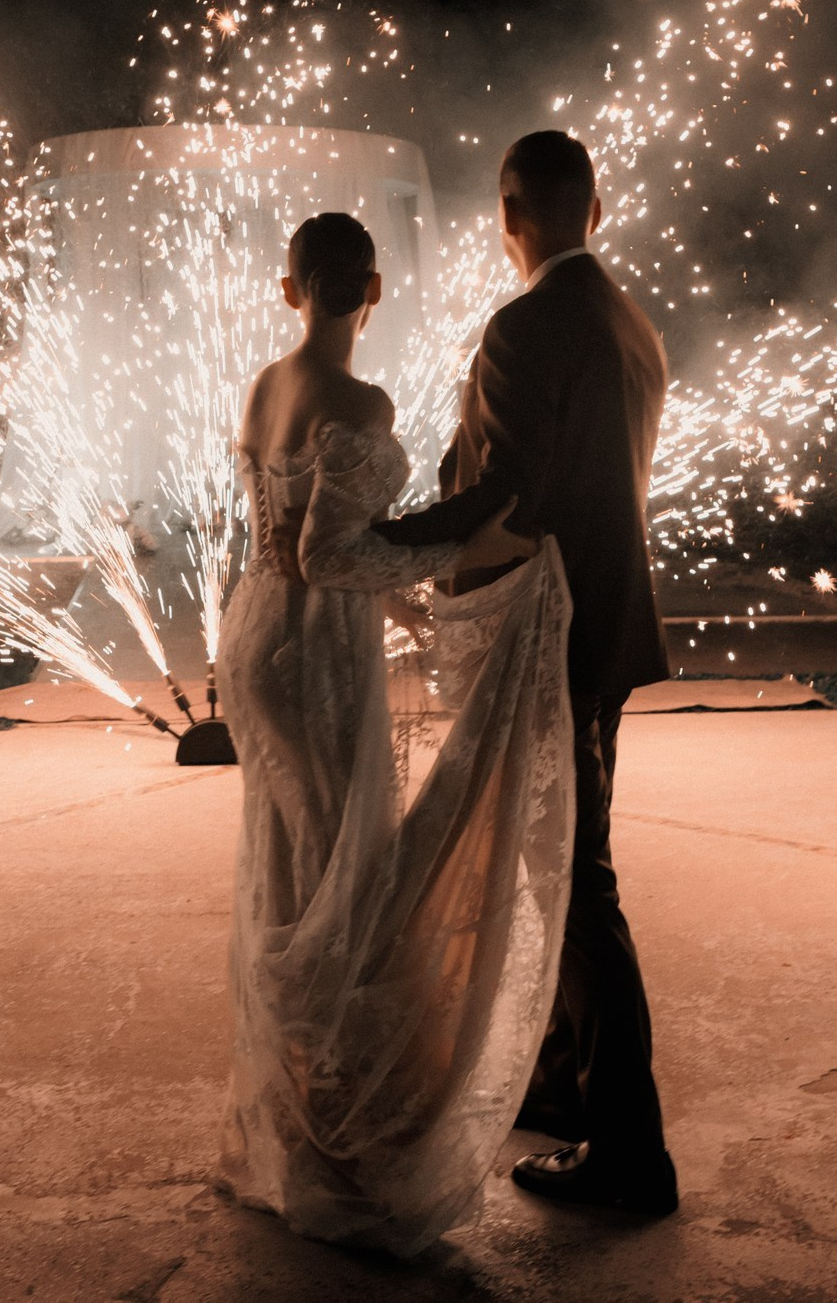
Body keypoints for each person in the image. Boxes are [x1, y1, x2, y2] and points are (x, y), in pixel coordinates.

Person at [215, 211, 578, 1256]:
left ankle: (296, 1129)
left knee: (294, 872)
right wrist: (468, 543)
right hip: (315, 660)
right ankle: (343, 1143)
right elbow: (333, 556)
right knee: (352, 889)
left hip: (254, 643)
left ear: (291, 292)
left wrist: (402, 605)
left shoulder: (264, 386)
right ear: (369, 288)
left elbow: (282, 540)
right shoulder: (357, 401)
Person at [370, 130, 679, 1216]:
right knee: (563, 855)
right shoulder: (629, 320)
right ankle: (560, 1082)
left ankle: (630, 1152)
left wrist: (380, 544)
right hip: (609, 628)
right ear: (594, 207)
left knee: (579, 883)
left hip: (549, 636)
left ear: (509, 213)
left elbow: (501, 495)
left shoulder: (526, 325)